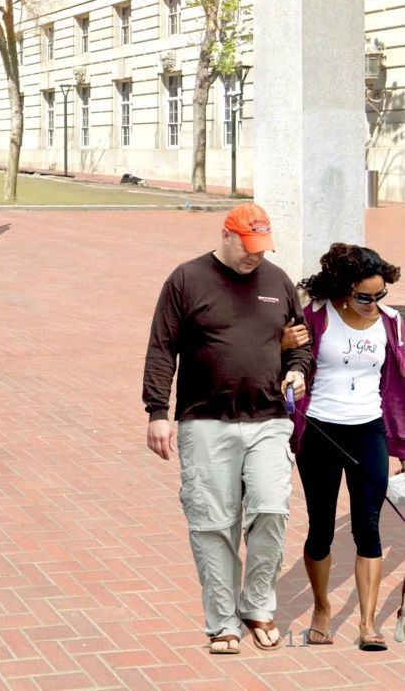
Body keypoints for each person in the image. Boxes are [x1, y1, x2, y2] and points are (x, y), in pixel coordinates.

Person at [143, 202, 312, 655]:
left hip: (269, 419)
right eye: (248, 246)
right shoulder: (186, 279)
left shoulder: (277, 282)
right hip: (205, 420)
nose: (255, 255)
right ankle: (223, 622)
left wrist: (296, 368)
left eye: (262, 247)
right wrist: (157, 411)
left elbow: (299, 342)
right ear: (226, 234)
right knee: (213, 525)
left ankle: (257, 604)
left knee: (272, 511)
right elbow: (162, 348)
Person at [291, 243, 405, 650]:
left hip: (367, 432)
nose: (374, 304)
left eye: (380, 295)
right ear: (343, 290)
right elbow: (289, 359)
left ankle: (367, 622)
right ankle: (322, 609)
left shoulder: (391, 323)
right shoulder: (315, 315)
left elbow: (399, 385)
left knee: (367, 527)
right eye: (364, 297)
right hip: (321, 431)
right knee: (320, 527)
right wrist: (287, 348)